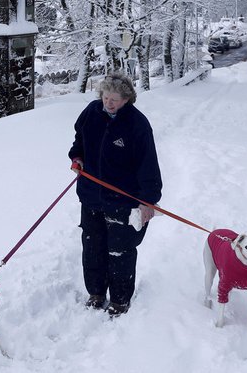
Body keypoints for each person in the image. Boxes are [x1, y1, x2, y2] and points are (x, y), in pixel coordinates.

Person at [68, 73, 162, 317]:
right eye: (105, 97)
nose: (108, 103)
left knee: (120, 250)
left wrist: (147, 201)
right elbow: (80, 139)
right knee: (93, 246)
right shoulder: (91, 112)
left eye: (114, 99)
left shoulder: (137, 124)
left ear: (126, 99)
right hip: (91, 195)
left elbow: (148, 164)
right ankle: (96, 293)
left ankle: (120, 300)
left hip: (124, 200)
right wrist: (77, 157)